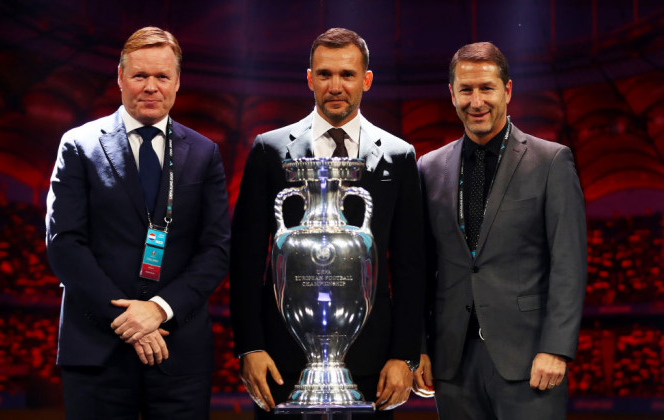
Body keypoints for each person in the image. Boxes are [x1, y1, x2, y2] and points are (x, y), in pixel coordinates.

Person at [229, 28, 425, 419]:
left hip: (372, 362)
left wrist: (405, 355)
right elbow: (246, 260)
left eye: (347, 75)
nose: (336, 86)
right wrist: (250, 347)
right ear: (309, 78)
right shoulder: (269, 150)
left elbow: (410, 265)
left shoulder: (400, 157)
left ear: (366, 80)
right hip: (281, 359)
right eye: (324, 74)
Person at [45, 26, 230, 419]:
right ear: (120, 78)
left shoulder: (204, 152)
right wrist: (128, 320)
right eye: (139, 75)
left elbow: (215, 249)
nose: (151, 87)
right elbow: (64, 243)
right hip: (97, 349)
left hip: (179, 351)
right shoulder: (79, 144)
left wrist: (159, 309)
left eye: (162, 76)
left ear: (177, 81)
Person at [415, 42, 588, 419]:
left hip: (530, 360)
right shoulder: (428, 167)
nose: (476, 101)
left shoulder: (552, 161)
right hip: (452, 362)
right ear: (452, 94)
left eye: (486, 88)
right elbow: (421, 268)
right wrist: (421, 346)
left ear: (507, 90)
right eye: (466, 90)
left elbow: (569, 264)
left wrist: (556, 349)